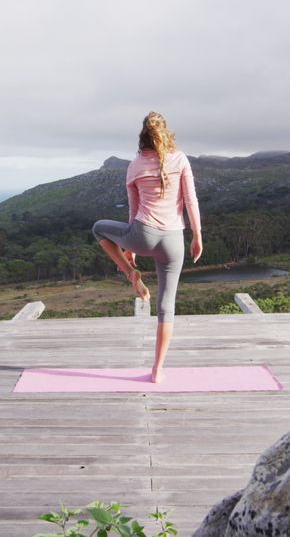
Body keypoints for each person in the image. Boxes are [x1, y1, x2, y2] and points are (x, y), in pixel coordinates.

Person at [91, 111, 203, 383]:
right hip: (174, 240)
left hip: (142, 235)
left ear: (142, 136)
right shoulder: (181, 159)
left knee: (98, 228)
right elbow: (191, 201)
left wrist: (129, 247)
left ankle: (131, 274)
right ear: (167, 133)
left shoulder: (134, 165)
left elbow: (134, 209)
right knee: (167, 306)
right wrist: (198, 235)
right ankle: (157, 370)